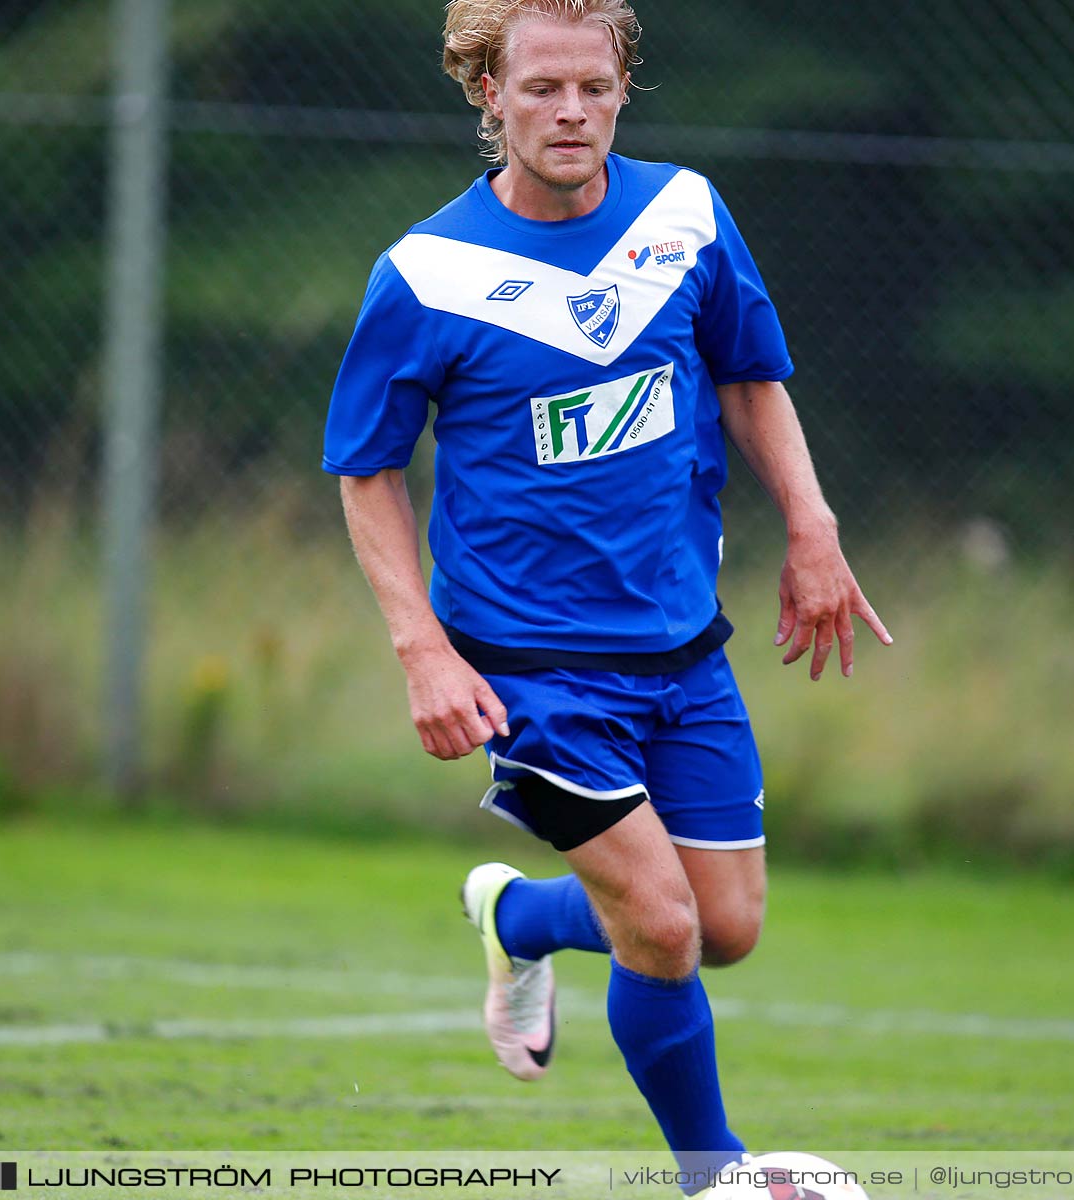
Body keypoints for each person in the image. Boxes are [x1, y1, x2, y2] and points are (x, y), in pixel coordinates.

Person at [323, 0, 890, 1189]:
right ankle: (716, 1174)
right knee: (666, 929)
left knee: (723, 926)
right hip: (529, 671)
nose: (569, 111)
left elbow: (749, 376)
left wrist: (815, 528)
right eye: (540, 90)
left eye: (592, 86)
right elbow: (366, 469)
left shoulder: (684, 215)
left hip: (684, 651)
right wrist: (421, 650)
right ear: (490, 94)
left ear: (623, 86)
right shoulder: (429, 274)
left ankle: (522, 920)